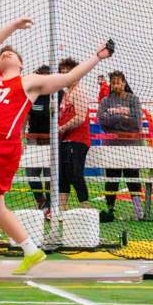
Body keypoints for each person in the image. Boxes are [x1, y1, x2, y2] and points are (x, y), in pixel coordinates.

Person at [0, 17, 112, 275]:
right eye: (4, 52)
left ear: (21, 63)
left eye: (12, 53)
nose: (6, 52)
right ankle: (31, 250)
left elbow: (70, 76)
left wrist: (97, 57)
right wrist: (13, 27)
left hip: (3, 148)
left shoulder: (29, 82)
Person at [97, 71, 142, 223]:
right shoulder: (105, 100)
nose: (116, 85)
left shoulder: (133, 99)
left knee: (133, 178)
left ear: (124, 83)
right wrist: (124, 117)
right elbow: (102, 122)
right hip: (112, 147)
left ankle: (138, 212)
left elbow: (136, 123)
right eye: (113, 82)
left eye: (118, 82)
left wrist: (115, 118)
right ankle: (110, 210)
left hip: (131, 146)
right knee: (111, 178)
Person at [58, 57, 92, 213]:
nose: (65, 76)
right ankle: (61, 208)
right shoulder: (65, 94)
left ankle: (86, 208)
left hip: (77, 140)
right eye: (63, 73)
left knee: (75, 173)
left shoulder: (79, 91)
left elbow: (79, 117)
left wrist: (62, 128)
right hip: (65, 140)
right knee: (63, 174)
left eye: (68, 72)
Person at [24, 65, 58, 213]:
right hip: (33, 140)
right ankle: (41, 201)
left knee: (49, 175)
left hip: (51, 141)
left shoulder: (57, 94)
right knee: (31, 173)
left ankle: (50, 206)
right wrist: (21, 135)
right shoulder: (32, 94)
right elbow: (25, 116)